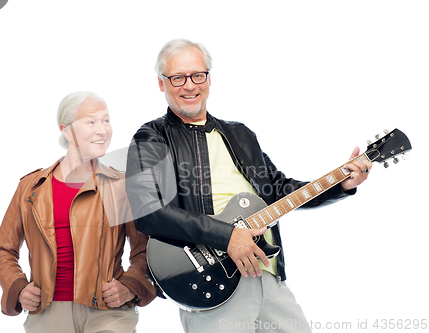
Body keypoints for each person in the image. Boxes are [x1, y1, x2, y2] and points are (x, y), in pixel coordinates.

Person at [125, 39, 371, 333]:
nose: (189, 86)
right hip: (213, 282)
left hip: (268, 276)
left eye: (197, 75)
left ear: (209, 78)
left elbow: (278, 190)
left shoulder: (240, 134)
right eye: (178, 77)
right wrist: (227, 236)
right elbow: (148, 212)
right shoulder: (151, 138)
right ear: (161, 83)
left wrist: (339, 184)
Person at [0, 91, 155, 333]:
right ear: (66, 131)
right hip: (47, 314)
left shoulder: (121, 186)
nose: (102, 130)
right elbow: (3, 249)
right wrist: (18, 287)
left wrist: (130, 285)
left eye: (106, 120)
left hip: (108, 313)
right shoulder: (31, 187)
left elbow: (145, 249)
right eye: (91, 122)